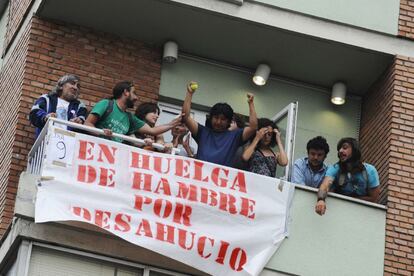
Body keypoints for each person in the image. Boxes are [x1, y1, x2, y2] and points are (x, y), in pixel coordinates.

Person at [182, 81, 258, 167]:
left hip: (222, 179)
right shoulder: (202, 132)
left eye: (223, 119)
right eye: (216, 118)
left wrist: (251, 103)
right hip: (200, 178)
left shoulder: (235, 136)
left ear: (229, 121)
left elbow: (253, 127)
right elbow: (185, 117)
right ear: (211, 118)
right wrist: (189, 94)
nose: (218, 122)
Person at [84, 81, 182, 143]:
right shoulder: (106, 104)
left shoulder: (130, 117)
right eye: (134, 93)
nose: (137, 98)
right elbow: (87, 123)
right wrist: (101, 133)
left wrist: (172, 124)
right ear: (126, 92)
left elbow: (152, 131)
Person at [315, 137, 380, 216]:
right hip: (338, 213)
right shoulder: (335, 168)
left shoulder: (369, 170)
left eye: (345, 148)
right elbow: (325, 185)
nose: (340, 151)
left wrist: (350, 201)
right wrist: (321, 200)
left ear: (355, 150)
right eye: (339, 149)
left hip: (362, 215)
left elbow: (374, 198)